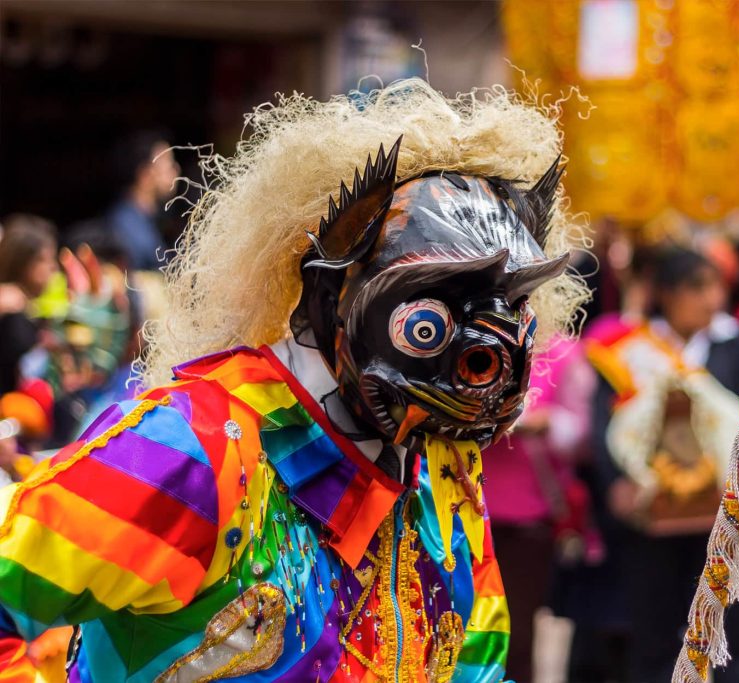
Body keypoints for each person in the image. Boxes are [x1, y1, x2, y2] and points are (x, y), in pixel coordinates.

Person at [0, 80, 589, 681]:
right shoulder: (195, 452)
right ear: (329, 296)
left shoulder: (445, 473)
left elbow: (475, 666)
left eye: (507, 306)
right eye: (430, 314)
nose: (483, 355)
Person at [587, 247, 739, 683]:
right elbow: (603, 423)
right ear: (665, 293)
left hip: (721, 509)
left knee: (727, 629)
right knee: (655, 633)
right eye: (695, 287)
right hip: (652, 512)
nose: (709, 298)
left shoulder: (735, 344)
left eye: (715, 285)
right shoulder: (628, 351)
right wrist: (616, 484)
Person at [485, 337, 594, 681]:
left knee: (514, 636)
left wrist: (548, 423)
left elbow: (583, 433)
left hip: (529, 522)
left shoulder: (561, 351)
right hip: (461, 513)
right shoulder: (474, 335)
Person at [0, 215, 58, 396]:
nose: (53, 268)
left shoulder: (27, 309)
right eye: (44, 260)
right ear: (23, 262)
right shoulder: (13, 311)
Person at [106, 129, 180, 271]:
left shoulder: (150, 220)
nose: (176, 170)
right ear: (145, 175)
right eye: (168, 165)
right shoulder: (125, 228)